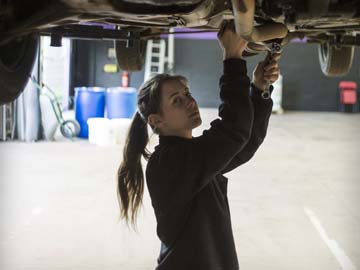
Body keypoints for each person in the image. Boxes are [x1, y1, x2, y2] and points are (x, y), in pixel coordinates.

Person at [117, 20, 281, 270]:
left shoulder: (190, 156)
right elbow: (234, 131)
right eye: (177, 100)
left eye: (187, 94)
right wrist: (232, 59)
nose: (190, 102)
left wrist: (259, 88)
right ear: (156, 120)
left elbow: (243, 143)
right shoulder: (169, 163)